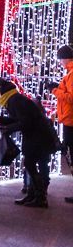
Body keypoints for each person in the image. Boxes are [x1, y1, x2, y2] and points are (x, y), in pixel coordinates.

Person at [0, 75, 56, 208]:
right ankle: (33, 195)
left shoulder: (15, 101)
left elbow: (25, 122)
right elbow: (17, 119)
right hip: (37, 135)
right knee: (30, 164)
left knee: (30, 164)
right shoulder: (13, 98)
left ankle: (40, 197)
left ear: (1, 90)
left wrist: (8, 128)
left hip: (37, 137)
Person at [50, 45, 73, 204]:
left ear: (65, 59)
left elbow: (71, 98)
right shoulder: (69, 74)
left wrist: (54, 90)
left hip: (71, 121)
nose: (60, 63)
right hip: (68, 119)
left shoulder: (71, 74)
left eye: (60, 60)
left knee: (71, 154)